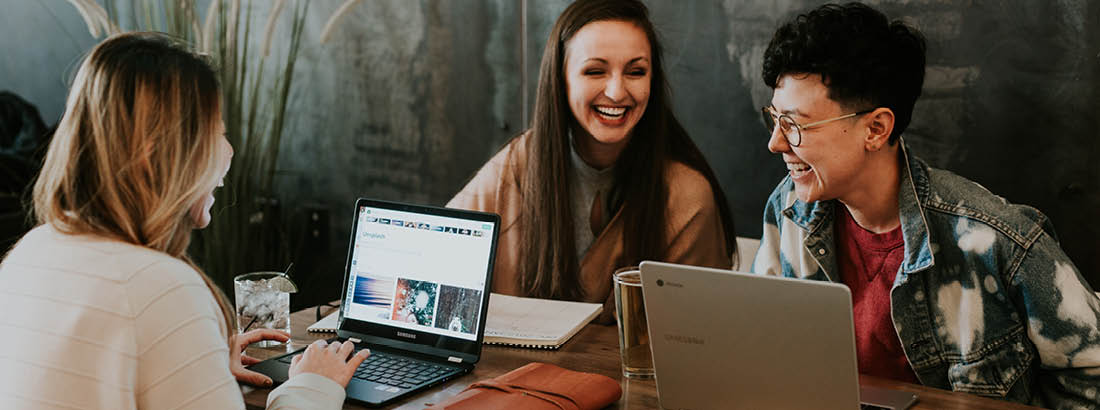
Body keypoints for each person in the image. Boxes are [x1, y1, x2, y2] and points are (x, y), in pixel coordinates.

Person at [750, 3, 1100, 407]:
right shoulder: (790, 207)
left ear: (876, 129)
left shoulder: (998, 240)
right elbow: (766, 349)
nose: (775, 143)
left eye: (794, 125)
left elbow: (1090, 376)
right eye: (774, 119)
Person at [0, 32, 368, 409]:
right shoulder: (161, 289)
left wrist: (196, 363)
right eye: (216, 134)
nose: (229, 151)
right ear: (155, 155)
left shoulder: (29, 252)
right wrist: (311, 385)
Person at [448, 0, 736, 322]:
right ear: (561, 79)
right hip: (512, 371)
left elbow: (700, 334)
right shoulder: (518, 164)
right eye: (595, 71)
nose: (616, 92)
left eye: (636, 71)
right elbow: (436, 259)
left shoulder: (687, 196)